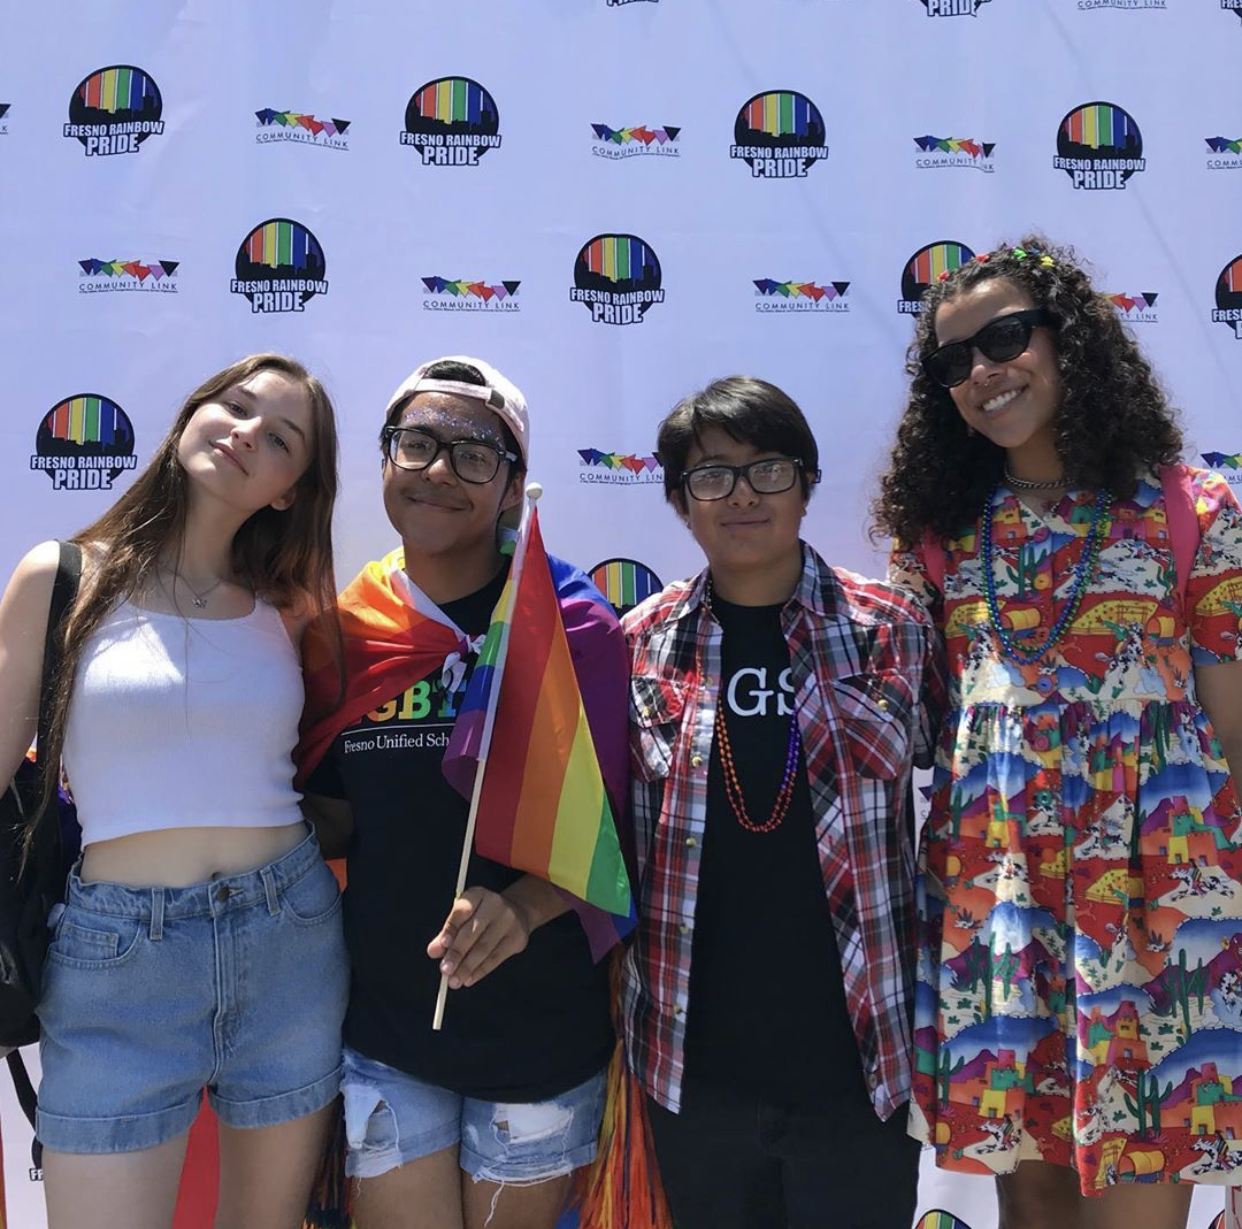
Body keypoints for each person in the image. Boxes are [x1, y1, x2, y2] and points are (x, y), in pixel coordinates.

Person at [875, 236, 1242, 1229]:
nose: (983, 372)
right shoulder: (944, 537)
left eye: (1003, 337)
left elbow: (1235, 747)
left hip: (1159, 935)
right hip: (1002, 924)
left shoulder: (1193, 511)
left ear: (1068, 338)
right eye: (955, 360)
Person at [0, 354, 346, 1229]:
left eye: (279, 439)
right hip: (118, 954)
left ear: (288, 489)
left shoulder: (293, 608)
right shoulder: (60, 578)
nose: (244, 435)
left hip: (289, 942)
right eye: (233, 408)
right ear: (191, 415)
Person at [296, 356, 629, 1229]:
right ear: (383, 464)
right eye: (418, 443)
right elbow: (330, 817)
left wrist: (521, 906)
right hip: (387, 1029)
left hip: (540, 1036)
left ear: (513, 488)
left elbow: (620, 830)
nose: (440, 468)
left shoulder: (571, 624)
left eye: (476, 453)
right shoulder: (345, 630)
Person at [619, 376, 944, 1229]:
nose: (742, 495)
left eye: (767, 468)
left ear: (805, 482)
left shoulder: (895, 627)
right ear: (680, 502)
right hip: (694, 1069)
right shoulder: (639, 645)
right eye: (711, 475)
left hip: (860, 1066)